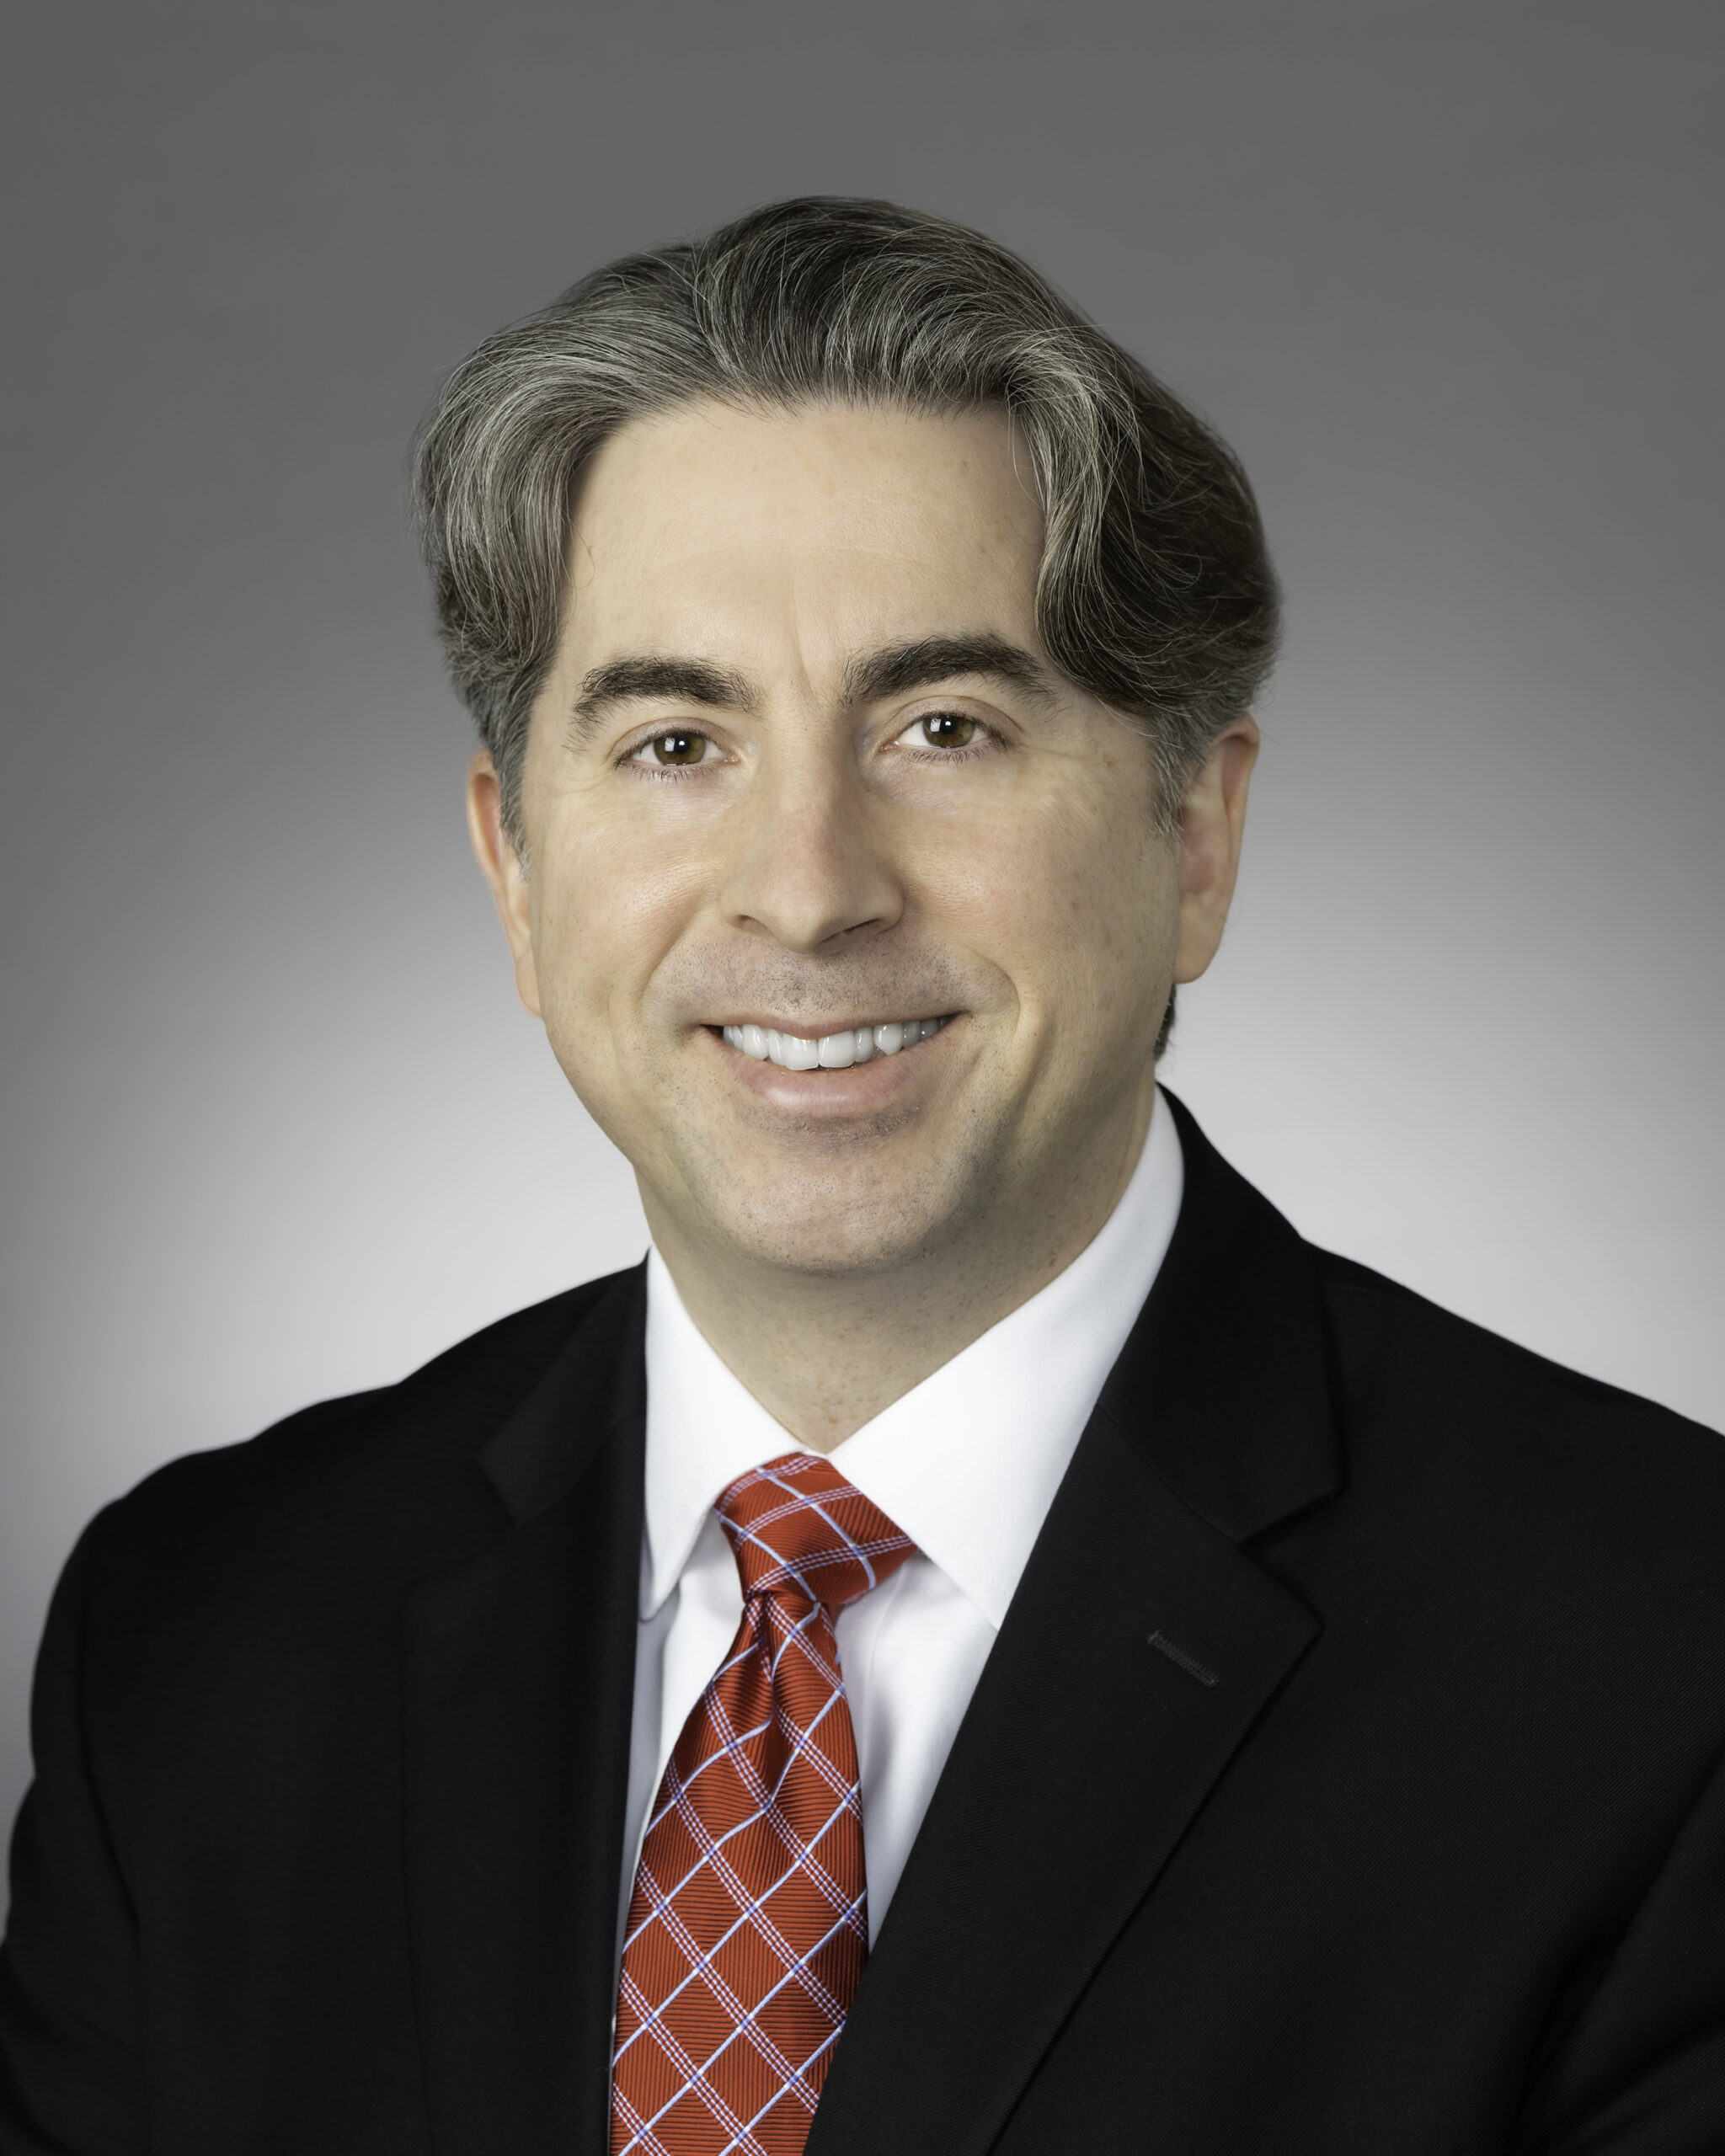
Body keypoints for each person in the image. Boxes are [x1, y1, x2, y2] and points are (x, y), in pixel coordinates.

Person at [3, 196, 1722, 2156]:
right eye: (675, 742)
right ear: (515, 870)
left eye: (942, 727)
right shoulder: (201, 1633)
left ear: (1193, 836)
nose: (809, 888)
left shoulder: (1659, 1665)